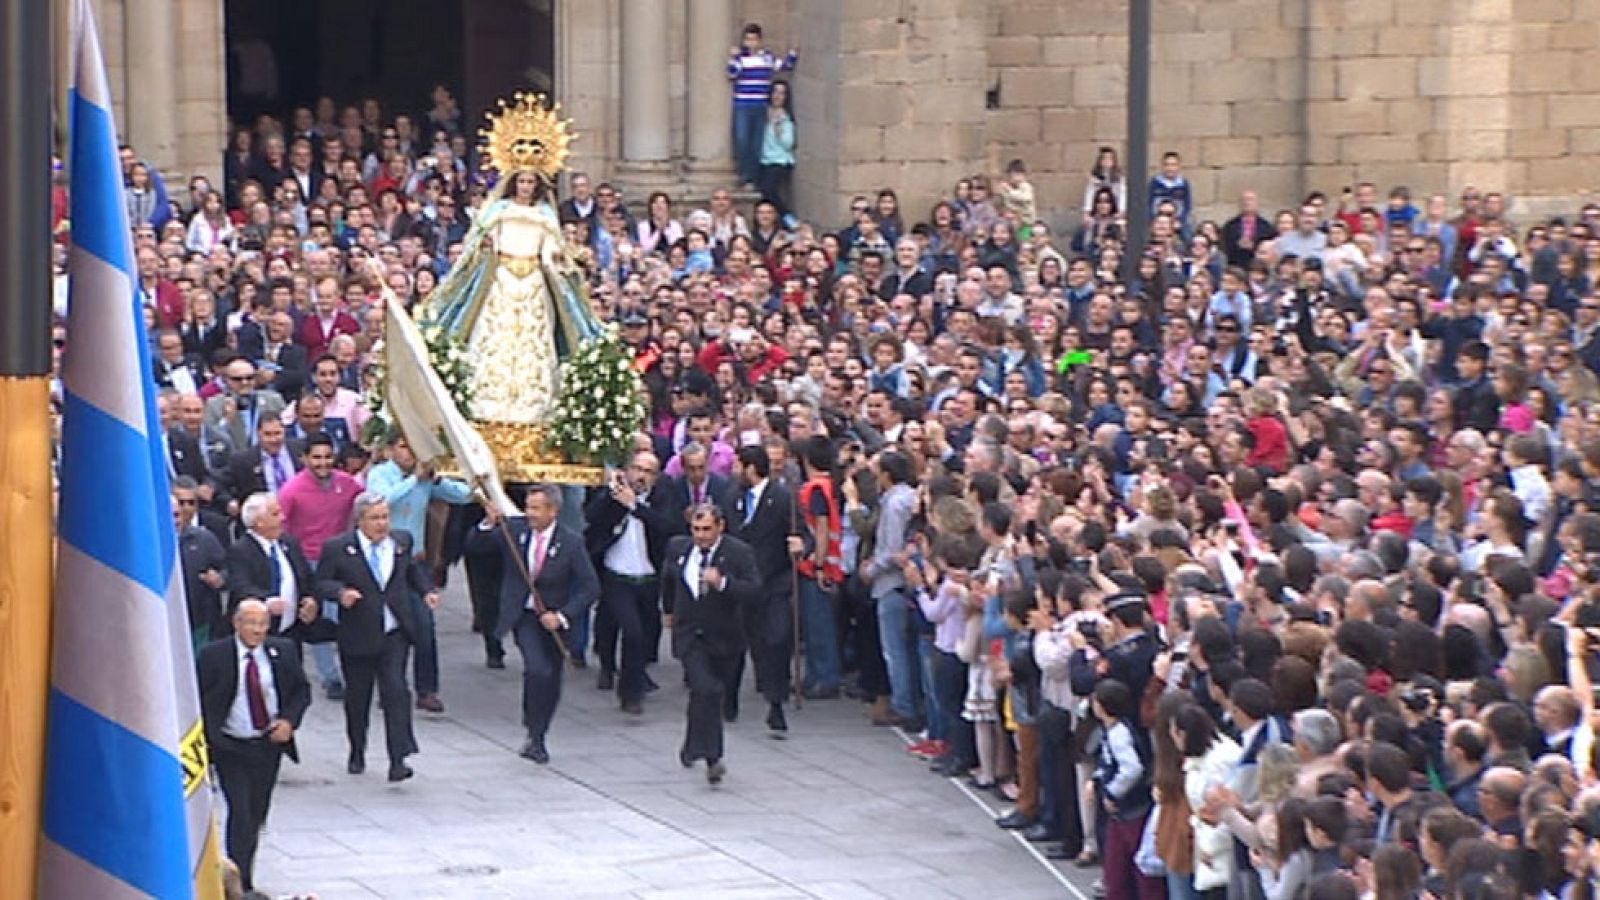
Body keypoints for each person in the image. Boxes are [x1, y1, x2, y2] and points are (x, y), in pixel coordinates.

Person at [314, 493, 439, 782]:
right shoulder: (339, 548)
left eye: (385, 517)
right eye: (375, 518)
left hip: (394, 631)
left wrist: (427, 591)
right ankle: (357, 749)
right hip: (358, 632)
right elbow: (321, 582)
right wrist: (340, 593)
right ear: (359, 520)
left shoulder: (401, 542)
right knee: (358, 698)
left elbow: (412, 572)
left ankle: (399, 757)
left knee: (396, 690)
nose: (382, 524)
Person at [474, 484, 599, 764]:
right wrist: (486, 523)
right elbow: (477, 547)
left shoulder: (571, 542)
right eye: (528, 507)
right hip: (525, 615)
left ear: (553, 511)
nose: (529, 513)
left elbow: (590, 588)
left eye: (536, 508)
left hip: (555, 618)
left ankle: (540, 728)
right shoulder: (514, 530)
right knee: (537, 669)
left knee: (552, 676)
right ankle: (534, 731)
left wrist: (563, 615)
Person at [196, 600, 311, 894]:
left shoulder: (282, 652)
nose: (257, 630)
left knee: (257, 812)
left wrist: (288, 721)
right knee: (241, 812)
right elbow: (199, 698)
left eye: (262, 624)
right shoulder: (214, 655)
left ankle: (243, 866)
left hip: (266, 746)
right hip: (230, 746)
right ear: (236, 623)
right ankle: (240, 884)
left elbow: (301, 690)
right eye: (251, 623)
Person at [366, 432, 475, 714]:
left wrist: (438, 480)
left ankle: (427, 689)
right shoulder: (381, 474)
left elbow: (463, 496)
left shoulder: (425, 478)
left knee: (424, 625)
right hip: (385, 560)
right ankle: (390, 684)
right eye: (403, 447)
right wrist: (414, 480)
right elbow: (383, 500)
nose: (409, 453)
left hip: (415, 562)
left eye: (414, 448)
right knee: (388, 626)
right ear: (390, 450)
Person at [662, 503, 763, 783]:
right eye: (696, 529)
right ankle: (713, 756)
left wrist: (724, 584)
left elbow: (754, 590)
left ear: (720, 527)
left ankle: (692, 743)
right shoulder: (678, 548)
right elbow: (669, 579)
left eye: (707, 529)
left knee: (706, 693)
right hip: (690, 634)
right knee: (707, 688)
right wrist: (668, 610)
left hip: (725, 636)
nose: (701, 536)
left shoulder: (738, 552)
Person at [585, 450, 674, 713]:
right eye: (637, 469)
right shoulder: (612, 495)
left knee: (643, 636)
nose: (641, 476)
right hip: (616, 576)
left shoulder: (660, 500)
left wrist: (635, 505)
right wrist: (615, 497)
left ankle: (632, 682)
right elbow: (593, 517)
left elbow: (666, 525)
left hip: (647, 577)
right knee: (630, 631)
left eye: (648, 472)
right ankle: (628, 692)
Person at [723, 444, 797, 735]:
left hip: (774, 580)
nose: (733, 471)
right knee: (735, 644)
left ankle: (776, 701)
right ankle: (728, 697)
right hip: (742, 583)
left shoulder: (782, 498)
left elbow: (797, 529)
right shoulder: (732, 497)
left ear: (751, 468)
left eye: (738, 465)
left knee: (777, 640)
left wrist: (798, 543)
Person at [727, 23, 797, 187]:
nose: (750, 43)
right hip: (743, 103)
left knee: (756, 142)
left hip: (759, 104)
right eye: (747, 39)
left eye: (753, 39)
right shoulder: (741, 58)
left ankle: (752, 177)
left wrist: (793, 53)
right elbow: (731, 73)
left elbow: (784, 66)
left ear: (759, 41)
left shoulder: (767, 57)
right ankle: (745, 174)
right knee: (742, 139)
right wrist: (732, 58)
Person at [175, 475, 229, 648]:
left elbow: (228, 568)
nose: (186, 508)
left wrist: (220, 579)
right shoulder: (152, 539)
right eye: (180, 503)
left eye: (191, 503)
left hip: (201, 622)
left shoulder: (205, 538)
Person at [758, 80, 795, 215]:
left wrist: (777, 127)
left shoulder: (785, 117)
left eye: (782, 93)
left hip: (779, 160)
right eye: (775, 92)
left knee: (769, 191)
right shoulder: (763, 113)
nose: (778, 96)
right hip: (763, 159)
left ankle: (788, 218)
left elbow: (788, 143)